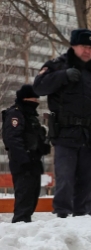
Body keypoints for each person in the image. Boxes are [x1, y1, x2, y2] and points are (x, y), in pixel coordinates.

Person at [33, 28, 91, 218]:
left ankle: (82, 219)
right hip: (65, 135)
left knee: (87, 182)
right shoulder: (58, 65)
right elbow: (38, 87)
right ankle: (62, 217)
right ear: (74, 46)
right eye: (84, 46)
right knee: (65, 181)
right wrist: (62, 76)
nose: (88, 51)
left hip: (90, 137)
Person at [1, 85, 51, 223]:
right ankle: (20, 225)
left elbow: (33, 137)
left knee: (32, 197)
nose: (36, 101)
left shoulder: (29, 116)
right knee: (24, 198)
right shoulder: (16, 114)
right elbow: (12, 139)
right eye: (34, 98)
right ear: (26, 98)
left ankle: (25, 224)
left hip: (33, 161)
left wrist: (42, 146)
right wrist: (24, 160)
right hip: (23, 163)